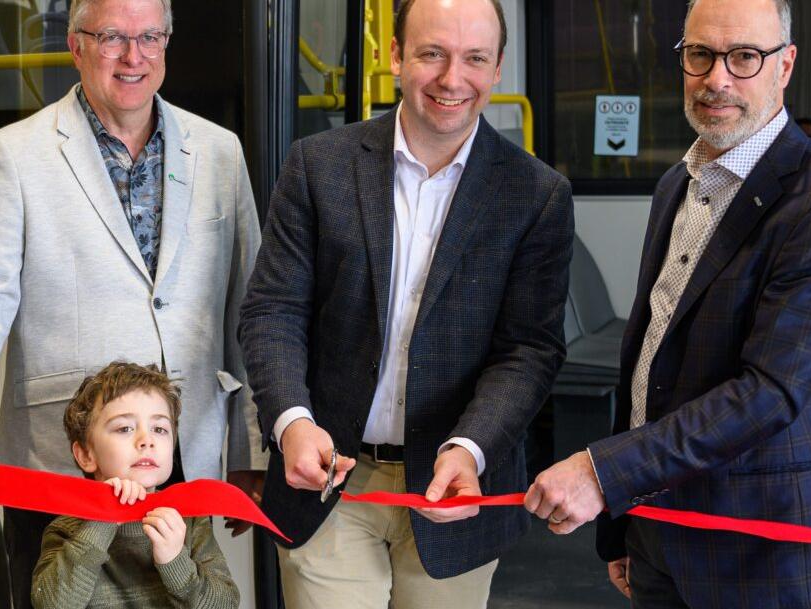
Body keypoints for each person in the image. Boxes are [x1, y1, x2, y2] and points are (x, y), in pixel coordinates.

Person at [0, 0, 266, 604]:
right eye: (113, 38)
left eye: (150, 37)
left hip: (182, 460)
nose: (134, 56)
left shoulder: (219, 151)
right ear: (75, 45)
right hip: (59, 468)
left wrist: (249, 446)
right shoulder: (14, 153)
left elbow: (246, 307)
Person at [523, 1, 811, 607]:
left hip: (764, 554)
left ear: (786, 65)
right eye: (700, 55)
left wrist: (603, 474)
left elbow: (767, 394)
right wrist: (622, 525)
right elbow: (649, 367)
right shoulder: (676, 188)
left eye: (744, 56)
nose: (718, 78)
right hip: (660, 537)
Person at [239, 0, 573, 605]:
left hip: (455, 492)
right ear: (395, 56)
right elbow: (273, 310)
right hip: (329, 483)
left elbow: (529, 351)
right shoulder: (319, 166)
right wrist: (291, 420)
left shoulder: (536, 194)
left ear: (497, 68)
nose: (452, 79)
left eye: (475, 58)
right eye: (432, 53)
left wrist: (469, 448)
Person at [31, 362, 238, 609]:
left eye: (160, 429)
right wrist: (102, 520)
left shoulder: (191, 520)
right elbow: (50, 605)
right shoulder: (66, 528)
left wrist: (175, 561)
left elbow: (226, 604)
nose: (146, 440)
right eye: (125, 428)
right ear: (86, 454)